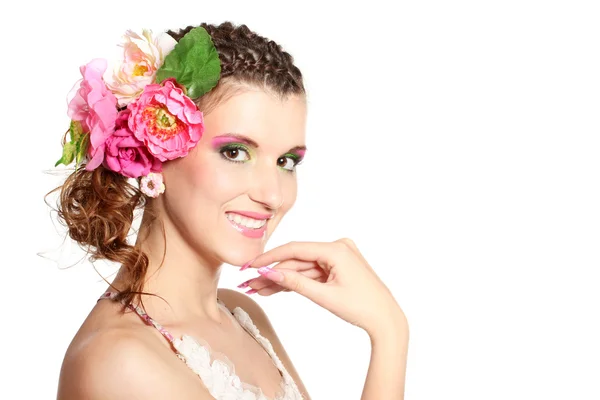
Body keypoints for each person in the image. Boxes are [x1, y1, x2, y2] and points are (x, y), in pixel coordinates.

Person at [51, 21, 409, 400]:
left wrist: (389, 330)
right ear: (154, 150)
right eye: (235, 153)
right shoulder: (121, 363)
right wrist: (390, 332)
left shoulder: (242, 314)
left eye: (286, 161)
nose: (272, 195)